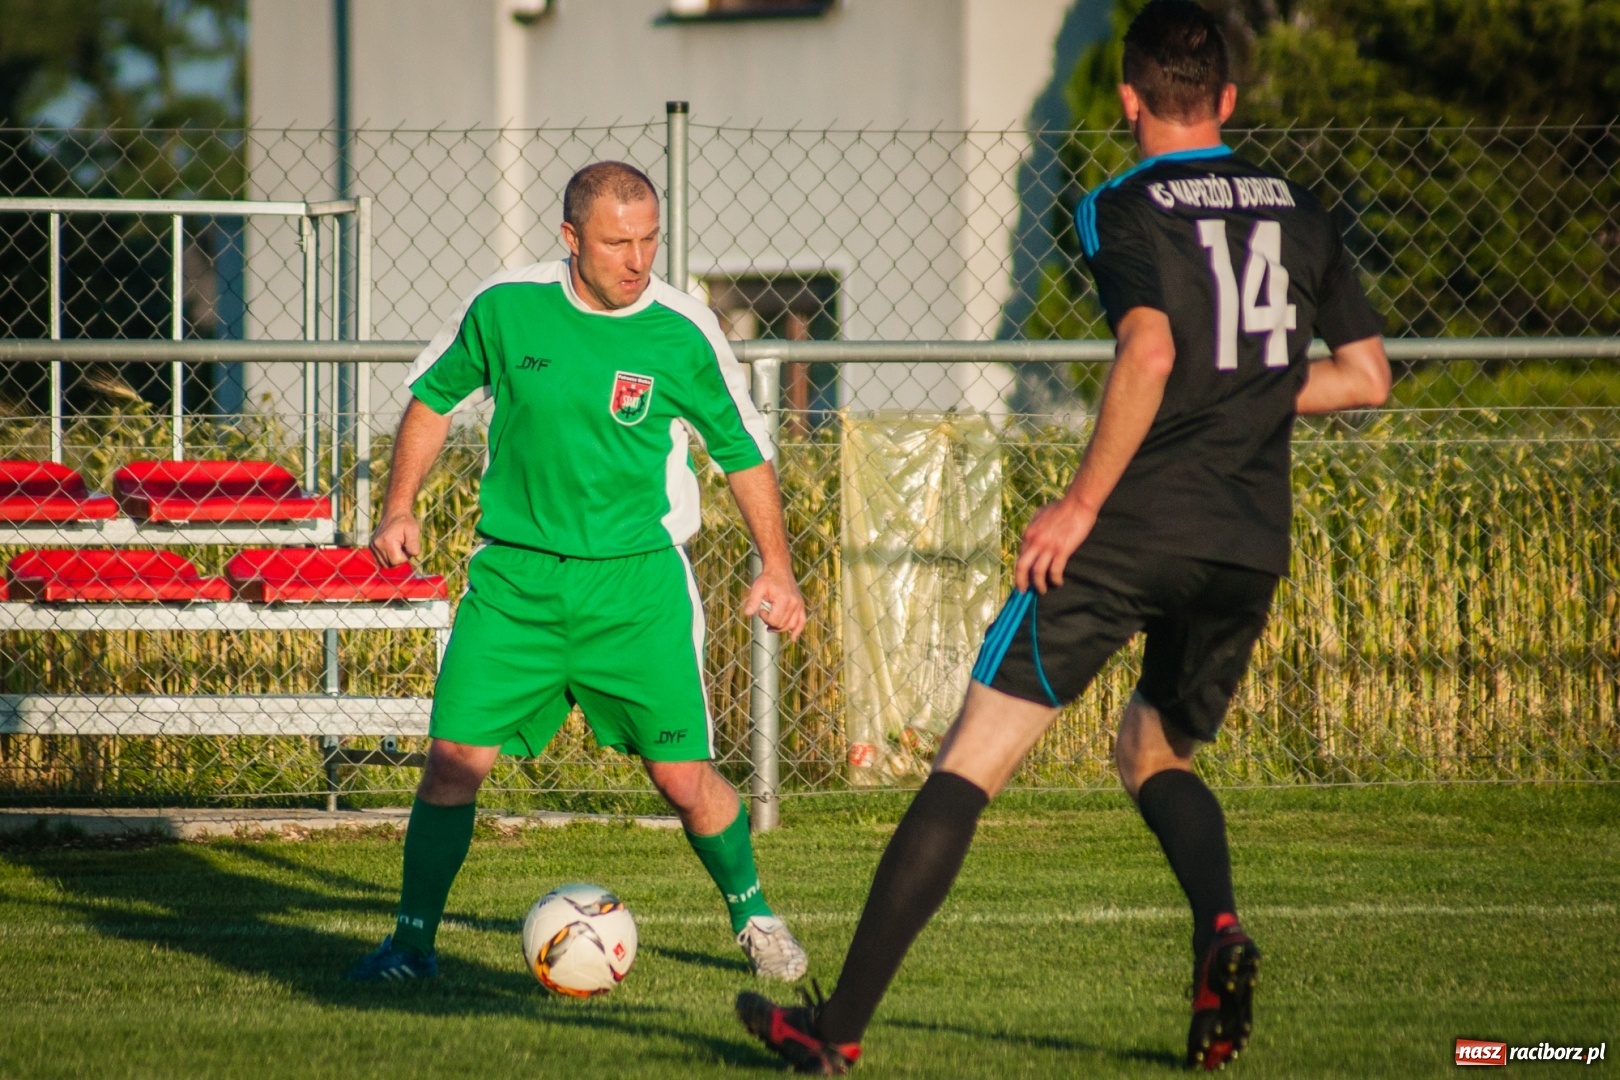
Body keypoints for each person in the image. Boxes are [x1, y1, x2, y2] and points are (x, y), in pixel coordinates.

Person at [735, 0, 1391, 1071]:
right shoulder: (1302, 211)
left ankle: (834, 1032)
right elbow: (1366, 378)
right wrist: (1244, 395)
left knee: (969, 762)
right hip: (1246, 540)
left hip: (1133, 530)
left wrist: (1079, 504)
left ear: (1130, 99)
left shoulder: (1120, 204)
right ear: (1227, 100)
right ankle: (1220, 929)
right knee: (1153, 751)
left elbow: (1148, 351)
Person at [346, 160, 812, 984]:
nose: (638, 261)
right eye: (616, 243)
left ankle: (755, 917)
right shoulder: (506, 307)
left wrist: (777, 566)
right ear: (570, 238)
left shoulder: (683, 328)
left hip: (636, 587)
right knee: (453, 761)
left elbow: (742, 450)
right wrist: (398, 506)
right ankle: (410, 947)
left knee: (682, 778)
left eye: (649, 240)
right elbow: (433, 398)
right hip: (515, 582)